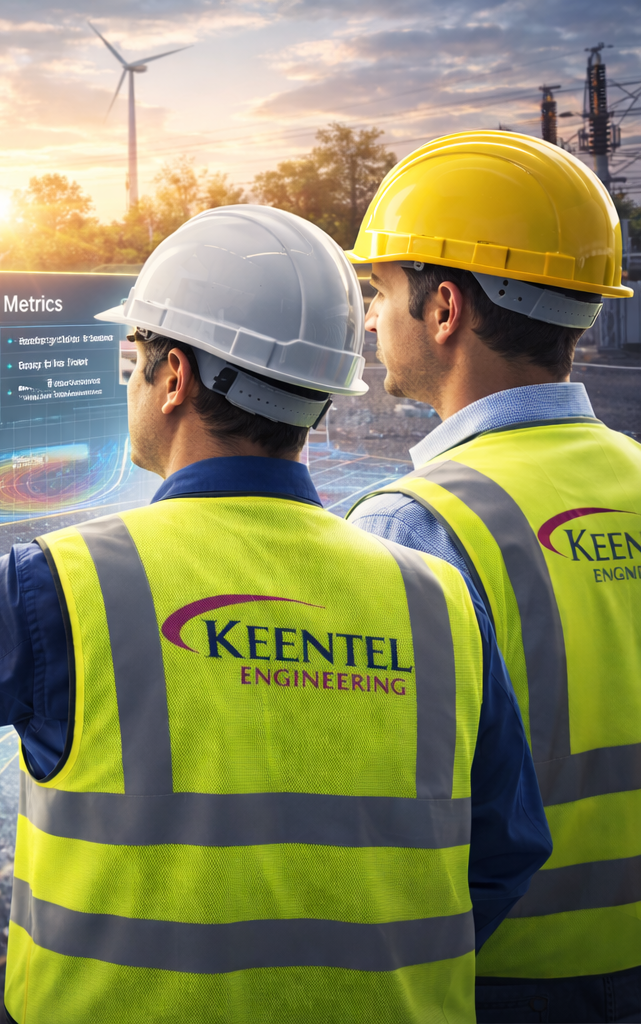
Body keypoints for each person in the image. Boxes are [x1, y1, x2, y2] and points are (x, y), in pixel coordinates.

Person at [0, 204, 550, 1022]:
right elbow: (507, 848)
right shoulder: (440, 601)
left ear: (174, 380)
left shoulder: (68, 583)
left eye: (135, 359)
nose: (129, 381)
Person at [344, 129, 641, 1023]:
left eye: (378, 290)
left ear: (444, 308)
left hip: (509, 978)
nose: (370, 319)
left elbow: (376, 829)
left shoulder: (414, 524)